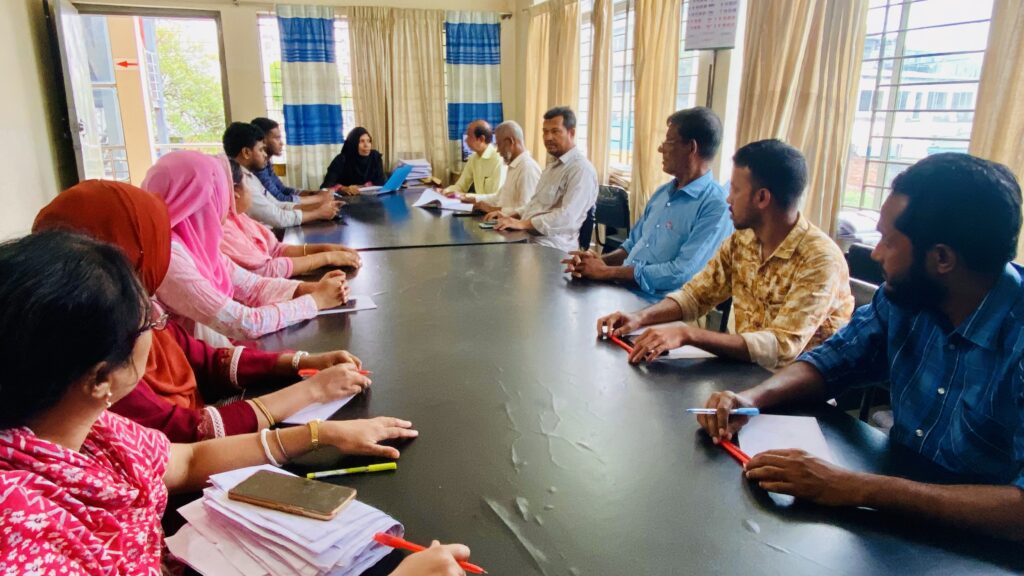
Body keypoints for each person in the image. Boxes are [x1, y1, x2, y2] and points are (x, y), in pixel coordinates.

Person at [0, 229, 472, 574]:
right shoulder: (18, 528)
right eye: (149, 323)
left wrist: (321, 433)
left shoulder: (86, 425)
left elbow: (187, 460)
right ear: (101, 377)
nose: (160, 329)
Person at [697, 154, 1024, 541]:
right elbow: (833, 360)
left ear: (942, 258)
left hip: (979, 549)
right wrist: (751, 398)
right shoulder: (908, 298)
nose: (876, 253)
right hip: (898, 524)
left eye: (888, 241)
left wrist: (855, 487)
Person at [33, 179, 368, 442]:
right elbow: (184, 433)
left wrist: (301, 362)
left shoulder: (136, 303)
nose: (223, 213)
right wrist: (311, 392)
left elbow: (205, 359)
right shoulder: (91, 348)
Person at [596, 139, 853, 370]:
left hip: (800, 391)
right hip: (746, 373)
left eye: (736, 190)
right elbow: (696, 295)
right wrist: (639, 318)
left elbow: (781, 346)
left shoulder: (820, 259)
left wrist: (688, 334)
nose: (728, 199)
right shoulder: (743, 240)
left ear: (762, 198)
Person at [142, 150, 349, 344]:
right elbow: (245, 323)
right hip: (200, 364)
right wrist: (316, 300)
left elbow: (253, 287)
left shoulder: (197, 244)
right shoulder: (169, 258)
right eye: (220, 191)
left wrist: (311, 289)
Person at [562, 107, 732, 295]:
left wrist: (607, 272)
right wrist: (597, 262)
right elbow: (631, 247)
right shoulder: (663, 193)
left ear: (691, 147)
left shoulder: (716, 205)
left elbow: (680, 273)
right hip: (624, 290)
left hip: (661, 304)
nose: (661, 148)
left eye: (669, 141)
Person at [222, 158, 362, 278]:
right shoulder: (223, 232)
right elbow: (265, 270)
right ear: (235, 193)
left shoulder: (239, 217)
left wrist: (325, 248)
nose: (252, 191)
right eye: (247, 186)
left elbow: (276, 250)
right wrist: (326, 258)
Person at [484, 107, 598, 253]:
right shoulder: (552, 166)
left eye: (555, 131)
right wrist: (512, 215)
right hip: (529, 240)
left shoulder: (581, 170)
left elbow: (567, 217)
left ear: (571, 133)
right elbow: (535, 205)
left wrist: (523, 224)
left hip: (553, 248)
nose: (548, 137)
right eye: (545, 132)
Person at [224, 122, 340, 227]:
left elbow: (278, 204)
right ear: (246, 152)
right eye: (261, 150)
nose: (265, 154)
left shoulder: (250, 176)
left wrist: (319, 206)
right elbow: (278, 218)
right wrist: (318, 212)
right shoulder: (240, 183)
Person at [447, 120, 540, 215]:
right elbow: (498, 197)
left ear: (510, 142)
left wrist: (492, 209)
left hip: (506, 222)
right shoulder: (514, 166)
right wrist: (472, 199)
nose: (498, 150)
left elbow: (525, 210)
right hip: (499, 219)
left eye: (499, 145)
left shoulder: (527, 168)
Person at [250, 116, 320, 202]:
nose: (281, 143)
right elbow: (279, 199)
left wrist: (313, 194)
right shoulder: (257, 167)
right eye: (277, 138)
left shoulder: (267, 163)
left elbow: (283, 189)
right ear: (263, 141)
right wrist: (318, 198)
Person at [444, 120, 506, 199]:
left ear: (481, 139)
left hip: (492, 205)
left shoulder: (498, 160)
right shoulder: (473, 158)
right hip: (478, 204)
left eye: (469, 136)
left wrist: (465, 196)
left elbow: (496, 197)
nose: (466, 140)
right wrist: (444, 191)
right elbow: (461, 186)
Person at [321, 126, 387, 194]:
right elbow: (326, 187)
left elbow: (381, 182)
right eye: (361, 141)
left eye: (368, 141)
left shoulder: (375, 157)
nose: (366, 145)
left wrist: (363, 187)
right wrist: (343, 188)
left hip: (370, 197)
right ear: (353, 143)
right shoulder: (341, 160)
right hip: (345, 198)